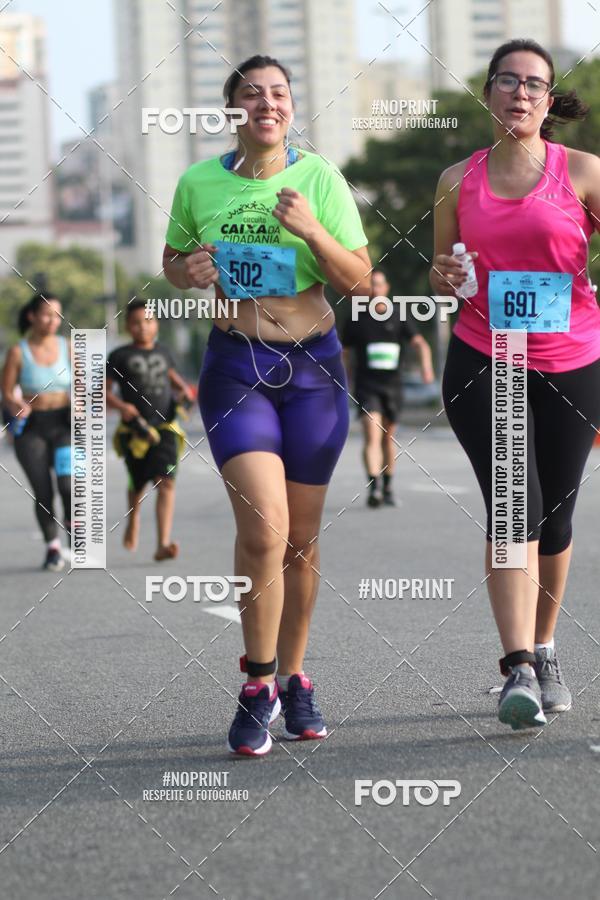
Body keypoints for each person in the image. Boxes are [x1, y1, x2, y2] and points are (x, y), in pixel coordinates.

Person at [163, 54, 371, 755]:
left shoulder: (319, 179)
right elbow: (173, 261)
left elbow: (366, 284)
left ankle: (295, 675)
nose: (266, 103)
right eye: (251, 93)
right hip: (235, 368)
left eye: (278, 93)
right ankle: (257, 684)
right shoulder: (197, 182)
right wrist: (184, 271)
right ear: (232, 109)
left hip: (313, 369)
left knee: (303, 541)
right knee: (265, 531)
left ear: (291, 108)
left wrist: (314, 230)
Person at [431, 38, 600, 729]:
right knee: (513, 507)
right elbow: (439, 271)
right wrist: (438, 277)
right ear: (489, 93)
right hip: (484, 357)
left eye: (534, 84)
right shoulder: (454, 179)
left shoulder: (585, 172)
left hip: (573, 360)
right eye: (507, 81)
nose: (520, 93)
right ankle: (518, 666)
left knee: (554, 521)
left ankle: (547, 647)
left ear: (550, 99)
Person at [106, 299, 193, 561]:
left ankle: (162, 543)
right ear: (128, 326)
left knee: (165, 482)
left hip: (166, 426)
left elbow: (177, 383)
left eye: (148, 321)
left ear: (155, 324)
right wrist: (122, 406)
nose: (143, 327)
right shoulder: (119, 356)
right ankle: (134, 520)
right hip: (135, 431)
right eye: (136, 322)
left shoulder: (164, 353)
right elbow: (101, 392)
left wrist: (184, 393)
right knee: (138, 482)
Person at [343, 267, 435, 507]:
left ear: (386, 289)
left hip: (393, 386)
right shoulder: (356, 317)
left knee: (387, 438)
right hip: (367, 386)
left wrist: (427, 368)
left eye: (379, 285)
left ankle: (388, 486)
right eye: (371, 285)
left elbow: (421, 344)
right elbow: (345, 351)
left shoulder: (399, 316)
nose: (375, 290)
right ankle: (373, 488)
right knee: (371, 434)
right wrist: (345, 377)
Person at [1, 293, 71, 571]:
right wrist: (17, 404)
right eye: (47, 314)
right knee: (43, 491)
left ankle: (71, 523)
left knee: (68, 485)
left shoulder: (68, 346)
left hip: (64, 425)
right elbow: (6, 392)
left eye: (57, 315)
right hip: (31, 429)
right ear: (32, 316)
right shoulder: (18, 352)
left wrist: (81, 401)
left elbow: (82, 384)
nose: (53, 321)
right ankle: (52, 547)